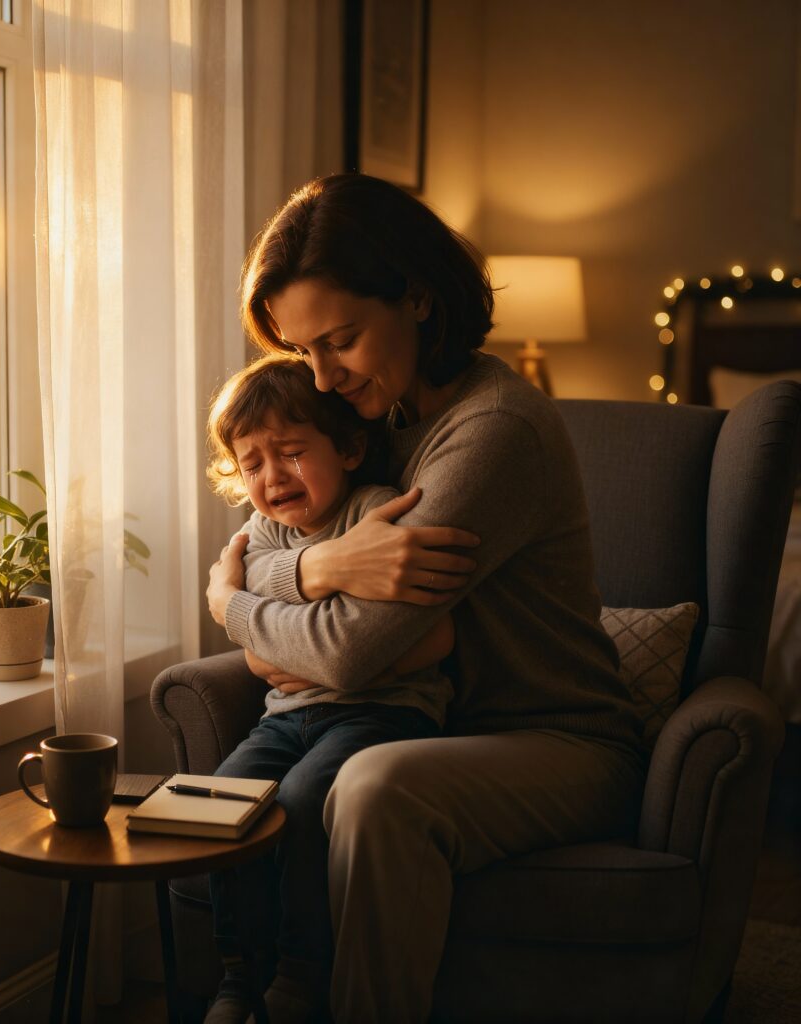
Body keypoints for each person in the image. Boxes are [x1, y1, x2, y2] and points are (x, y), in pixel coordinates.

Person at [205, 173, 646, 1023]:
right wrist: (313, 573)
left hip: (557, 740)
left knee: (376, 787)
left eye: (340, 340)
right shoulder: (376, 421)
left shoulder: (490, 435)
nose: (323, 380)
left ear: (416, 298)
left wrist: (230, 603)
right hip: (429, 721)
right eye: (302, 352)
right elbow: (289, 556)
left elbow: (347, 652)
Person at [203, 353, 455, 1024]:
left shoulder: (380, 515)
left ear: (347, 447)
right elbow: (247, 616)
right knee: (221, 802)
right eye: (251, 463)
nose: (272, 476)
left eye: (290, 452)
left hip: (383, 716)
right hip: (285, 720)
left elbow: (435, 639)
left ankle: (302, 972)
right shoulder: (257, 536)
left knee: (305, 799)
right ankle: (237, 978)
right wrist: (281, 627)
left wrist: (283, 642)